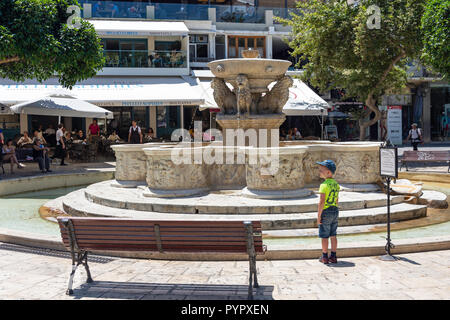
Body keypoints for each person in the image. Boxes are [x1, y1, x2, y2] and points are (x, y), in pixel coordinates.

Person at [316, 160, 340, 264]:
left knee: (324, 236)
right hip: (335, 210)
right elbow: (336, 199)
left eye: (322, 170)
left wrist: (319, 216)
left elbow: (321, 202)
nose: (319, 172)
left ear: (329, 173)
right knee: (333, 235)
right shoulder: (336, 184)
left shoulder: (323, 185)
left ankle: (325, 256)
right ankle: (333, 256)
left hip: (325, 211)